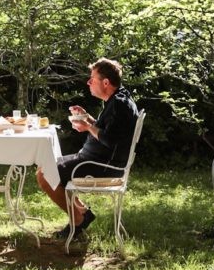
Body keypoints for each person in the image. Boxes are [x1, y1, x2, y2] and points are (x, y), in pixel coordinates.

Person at [37, 57, 139, 239]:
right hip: (92, 159)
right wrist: (88, 118)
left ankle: (77, 220)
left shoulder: (120, 105)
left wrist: (88, 126)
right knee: (44, 167)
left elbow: (111, 141)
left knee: (44, 175)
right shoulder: (117, 99)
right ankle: (83, 213)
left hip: (104, 166)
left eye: (92, 79)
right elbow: (108, 130)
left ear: (106, 82)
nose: (88, 82)